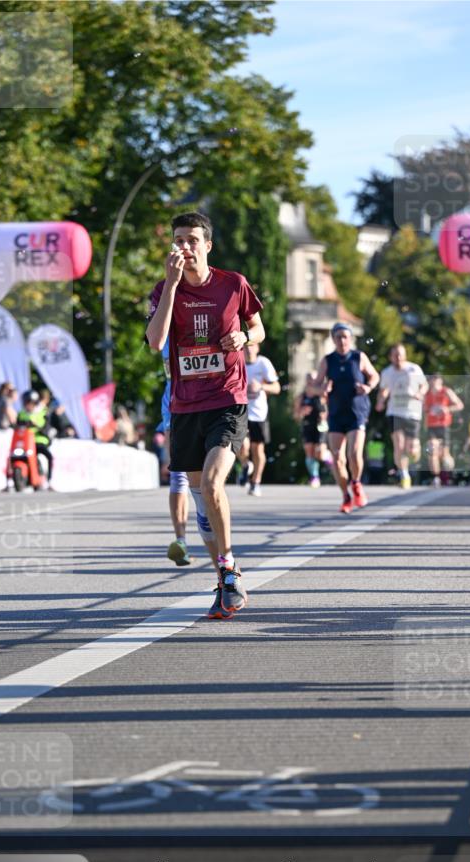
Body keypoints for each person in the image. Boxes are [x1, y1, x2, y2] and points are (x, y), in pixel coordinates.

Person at [146, 210, 265, 619]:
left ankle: (229, 570)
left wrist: (244, 336)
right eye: (178, 239)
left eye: (193, 239)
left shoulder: (234, 284)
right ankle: (222, 577)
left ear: (207, 245)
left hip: (227, 399)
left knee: (214, 484)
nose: (185, 246)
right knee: (201, 501)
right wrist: (172, 287)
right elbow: (155, 341)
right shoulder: (164, 290)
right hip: (184, 406)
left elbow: (259, 329)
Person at [311, 323, 379, 513]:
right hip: (335, 413)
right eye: (338, 337)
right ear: (333, 339)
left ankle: (356, 484)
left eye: (345, 336)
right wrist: (321, 389)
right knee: (337, 458)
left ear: (350, 338)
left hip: (357, 412)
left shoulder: (359, 357)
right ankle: (345, 495)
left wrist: (368, 387)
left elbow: (374, 376)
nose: (342, 340)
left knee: (354, 453)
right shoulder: (327, 360)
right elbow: (313, 387)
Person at [376, 343, 428, 489]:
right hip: (394, 412)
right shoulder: (387, 372)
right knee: (398, 445)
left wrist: (420, 393)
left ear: (405, 355)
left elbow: (424, 385)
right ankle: (404, 474)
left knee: (412, 450)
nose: (398, 358)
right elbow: (384, 390)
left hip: (413, 412)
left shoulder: (414, 369)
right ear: (391, 357)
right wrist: (381, 400)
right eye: (395, 355)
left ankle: (413, 456)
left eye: (400, 354)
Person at [160, 339, 193, 567]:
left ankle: (216, 542)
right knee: (178, 472)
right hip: (176, 398)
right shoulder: (166, 323)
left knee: (204, 483)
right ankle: (181, 540)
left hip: (209, 398)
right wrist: (167, 455)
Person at [237, 342, 280, 496]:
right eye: (246, 346)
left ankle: (255, 482)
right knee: (241, 446)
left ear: (257, 348)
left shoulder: (263, 363)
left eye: (252, 346)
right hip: (241, 412)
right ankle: (245, 465)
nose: (248, 349)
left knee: (258, 450)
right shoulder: (237, 361)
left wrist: (261, 387)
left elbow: (277, 387)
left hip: (259, 413)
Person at [423, 374, 463, 487]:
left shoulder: (446, 391)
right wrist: (428, 410)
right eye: (432, 380)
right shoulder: (427, 393)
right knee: (432, 452)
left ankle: (448, 472)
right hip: (431, 426)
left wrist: (447, 409)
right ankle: (436, 478)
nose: (434, 382)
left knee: (445, 456)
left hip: (444, 426)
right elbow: (423, 408)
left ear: (440, 381)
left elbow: (460, 405)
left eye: (436, 380)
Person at [293, 372, 329, 488]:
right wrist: (301, 412)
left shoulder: (322, 395)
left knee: (320, 453)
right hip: (307, 425)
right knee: (309, 451)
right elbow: (296, 415)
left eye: (313, 379)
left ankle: (331, 460)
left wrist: (324, 415)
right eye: (309, 379)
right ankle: (314, 477)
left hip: (320, 426)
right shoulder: (301, 396)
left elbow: (330, 409)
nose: (311, 382)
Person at [16, 389, 54, 486]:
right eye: (26, 403)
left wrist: (37, 426)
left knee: (49, 457)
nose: (28, 405)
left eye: (30, 403)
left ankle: (49, 480)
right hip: (24, 443)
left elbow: (45, 426)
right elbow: (17, 426)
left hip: (38, 441)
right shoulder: (21, 414)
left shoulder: (42, 412)